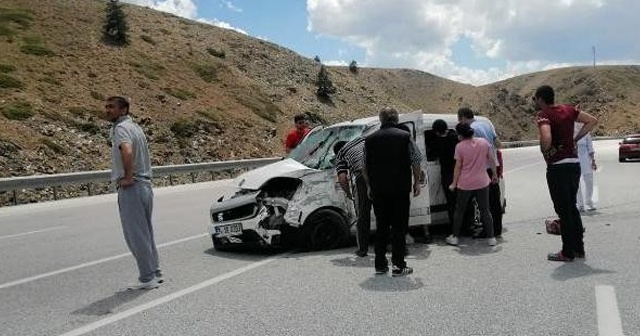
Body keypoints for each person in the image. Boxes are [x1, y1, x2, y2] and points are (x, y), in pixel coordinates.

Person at [533, 85, 598, 262]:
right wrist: (575, 139)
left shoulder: (544, 115)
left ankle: (567, 251)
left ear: (540, 98)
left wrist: (544, 149)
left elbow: (546, 137)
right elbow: (592, 120)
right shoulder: (569, 109)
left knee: (563, 210)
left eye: (535, 99)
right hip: (574, 164)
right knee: (572, 207)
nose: (535, 103)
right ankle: (578, 249)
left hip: (558, 167)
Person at [107, 96, 162, 289]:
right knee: (146, 231)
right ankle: (155, 271)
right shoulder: (136, 128)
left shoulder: (121, 129)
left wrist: (128, 177)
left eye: (112, 107)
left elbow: (127, 151)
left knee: (135, 234)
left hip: (133, 186)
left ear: (124, 110)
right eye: (107, 106)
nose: (108, 110)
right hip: (145, 185)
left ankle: (147, 278)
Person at [364, 107, 422, 277]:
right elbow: (416, 161)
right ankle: (398, 265)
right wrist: (416, 182)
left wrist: (369, 186)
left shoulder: (370, 139)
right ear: (396, 120)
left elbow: (364, 166)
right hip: (400, 189)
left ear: (380, 120)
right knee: (399, 227)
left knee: (381, 227)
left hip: (379, 191)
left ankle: (380, 265)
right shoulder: (405, 137)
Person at [445, 123, 498, 247]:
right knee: (485, 210)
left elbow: (458, 166)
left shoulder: (459, 147)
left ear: (460, 135)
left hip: (465, 183)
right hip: (482, 181)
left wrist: (454, 183)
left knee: (460, 210)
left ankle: (455, 237)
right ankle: (491, 238)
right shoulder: (483, 142)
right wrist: (494, 174)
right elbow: (491, 158)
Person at [457, 107, 503, 237]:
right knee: (494, 201)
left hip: (480, 170)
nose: (460, 123)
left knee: (482, 203)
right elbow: (498, 143)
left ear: (463, 117)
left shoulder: (471, 130)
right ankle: (497, 229)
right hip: (492, 167)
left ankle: (486, 231)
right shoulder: (486, 124)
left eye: (459, 120)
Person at [333, 137, 370, 258]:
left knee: (363, 216)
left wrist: (349, 193)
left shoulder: (341, 153)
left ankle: (362, 249)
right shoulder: (362, 139)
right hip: (380, 173)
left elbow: (343, 179)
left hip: (362, 178)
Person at [429, 119, 459, 230]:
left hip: (448, 175)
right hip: (461, 173)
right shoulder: (455, 137)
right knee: (461, 202)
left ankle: (454, 229)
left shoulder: (437, 143)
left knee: (451, 203)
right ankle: (465, 227)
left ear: (436, 132)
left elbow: (432, 155)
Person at [574, 122, 597, 211]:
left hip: (586, 159)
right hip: (574, 159)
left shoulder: (586, 132)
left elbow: (590, 147)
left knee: (589, 181)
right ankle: (580, 204)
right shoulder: (570, 130)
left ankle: (588, 200)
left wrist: (593, 161)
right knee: (576, 183)